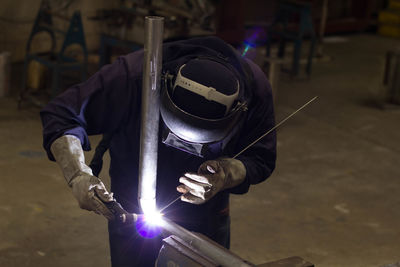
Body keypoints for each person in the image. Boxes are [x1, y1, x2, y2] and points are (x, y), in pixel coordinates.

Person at [41, 36, 276, 266]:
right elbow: (61, 114)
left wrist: (225, 173)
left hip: (206, 215)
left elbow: (260, 158)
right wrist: (78, 174)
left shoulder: (254, 91)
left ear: (236, 110)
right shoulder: (131, 77)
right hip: (132, 211)